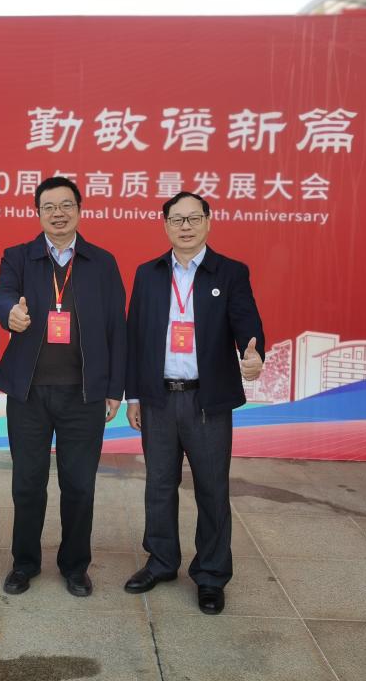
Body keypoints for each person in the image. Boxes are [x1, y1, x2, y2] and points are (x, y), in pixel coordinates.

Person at [123, 191, 264, 615]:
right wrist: (134, 395)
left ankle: (211, 575)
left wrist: (253, 353)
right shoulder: (148, 274)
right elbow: (135, 336)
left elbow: (247, 324)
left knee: (212, 489)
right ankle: (162, 561)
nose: (185, 226)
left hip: (207, 400)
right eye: (177, 219)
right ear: (165, 225)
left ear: (208, 222)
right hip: (158, 399)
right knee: (159, 485)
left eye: (193, 218)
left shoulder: (230, 272)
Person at [0, 176, 126, 598]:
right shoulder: (18, 256)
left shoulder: (102, 262)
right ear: (38, 213)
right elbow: (1, 294)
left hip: (83, 394)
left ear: (80, 210)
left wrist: (115, 388)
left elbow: (117, 327)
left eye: (66, 205)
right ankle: (24, 564)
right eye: (49, 207)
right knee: (27, 484)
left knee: (79, 485)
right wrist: (9, 313)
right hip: (29, 393)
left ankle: (75, 566)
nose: (58, 213)